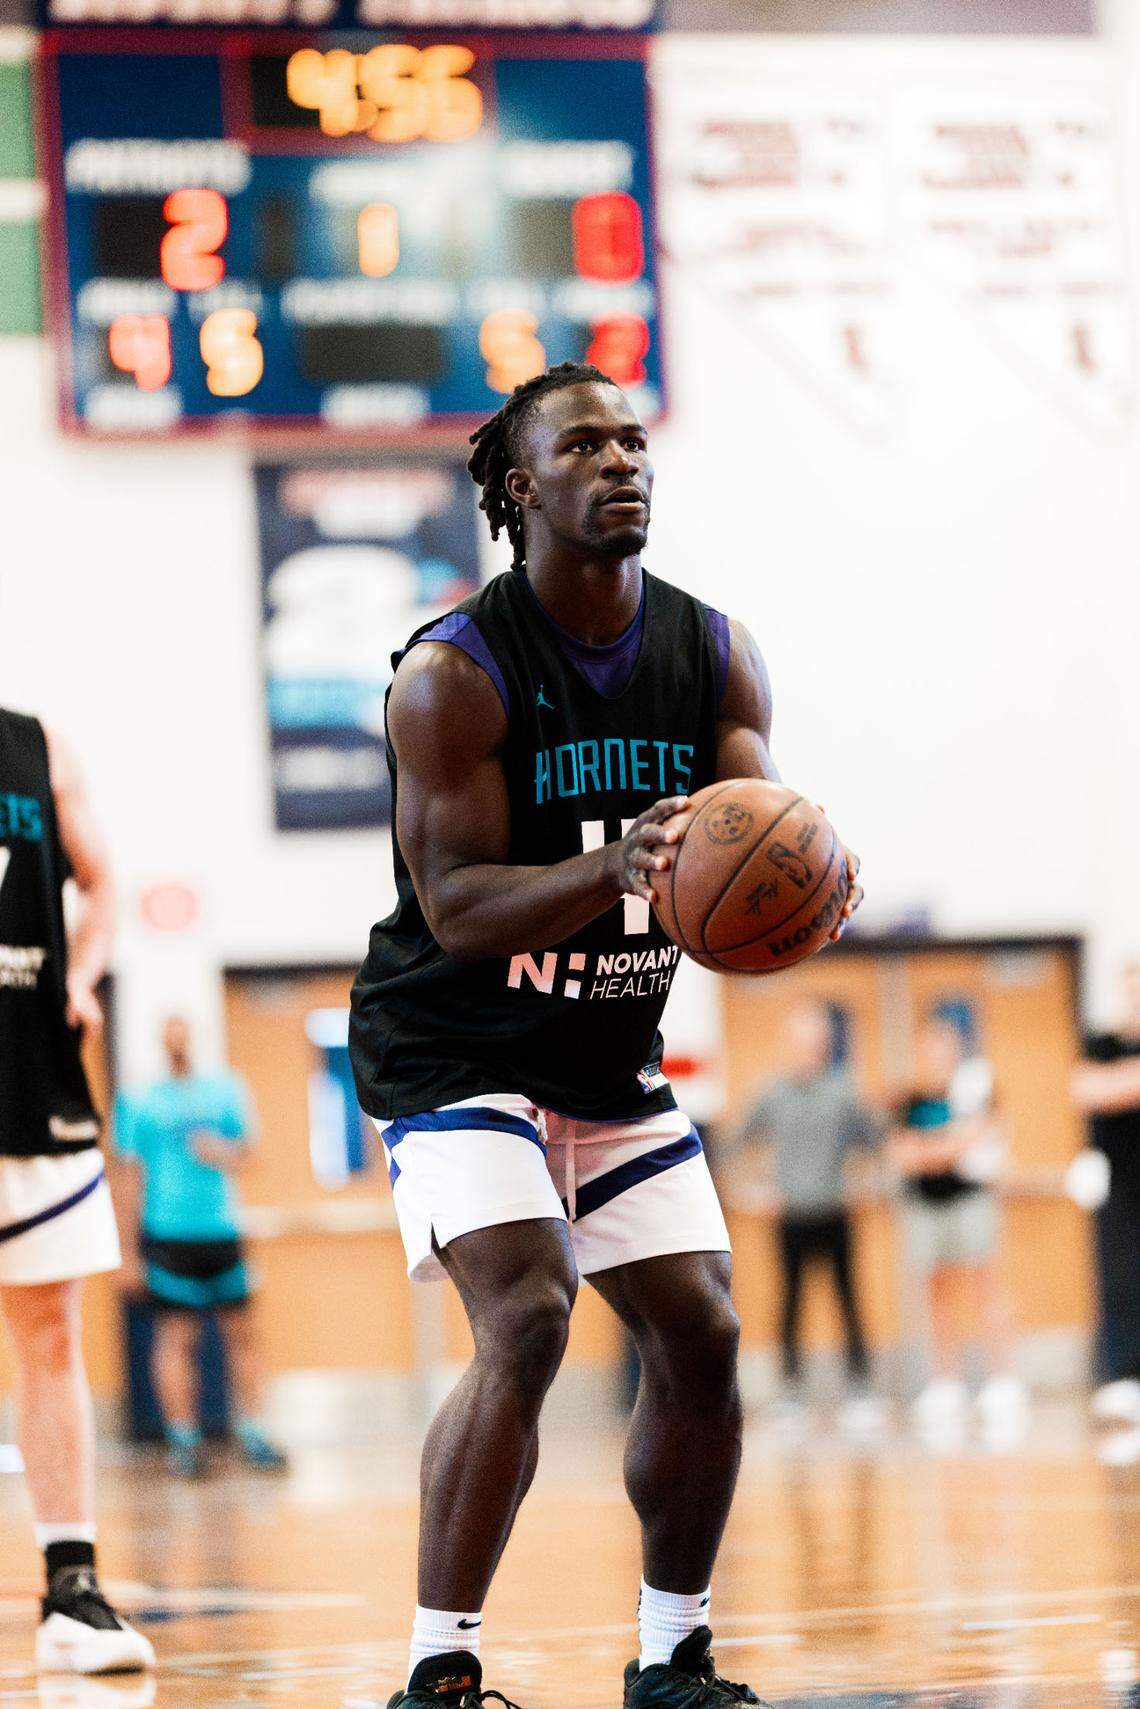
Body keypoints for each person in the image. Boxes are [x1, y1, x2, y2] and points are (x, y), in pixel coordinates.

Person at [349, 362, 862, 1709]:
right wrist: (622, 865)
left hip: (607, 1050)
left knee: (701, 1330)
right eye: (586, 444)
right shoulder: (451, 674)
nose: (623, 459)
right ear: (522, 489)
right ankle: (437, 1673)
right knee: (527, 1311)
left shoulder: (713, 650)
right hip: (452, 1043)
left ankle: (672, 1653)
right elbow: (455, 908)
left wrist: (810, 877)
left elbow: (754, 836)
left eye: (634, 439)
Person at [0, 707, 154, 1675]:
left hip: (27, 1071)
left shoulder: (34, 745)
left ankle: (71, 1587)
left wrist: (83, 975)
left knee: (50, 1327)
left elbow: (102, 883)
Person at [115, 1015, 287, 1479]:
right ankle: (183, 1441)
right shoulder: (139, 1100)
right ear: (159, 1039)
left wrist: (223, 1153)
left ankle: (253, 1432)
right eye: (166, 1030)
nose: (176, 1039)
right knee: (176, 1338)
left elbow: (252, 1152)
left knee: (243, 1335)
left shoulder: (226, 1090)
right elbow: (128, 1175)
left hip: (222, 1230)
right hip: (168, 1233)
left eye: (182, 1029)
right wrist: (127, 1253)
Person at [735, 999, 883, 1421]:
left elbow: (875, 1142)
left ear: (825, 1044)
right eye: (799, 1040)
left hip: (836, 1212)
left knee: (849, 1298)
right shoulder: (772, 1093)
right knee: (790, 1303)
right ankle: (790, 1394)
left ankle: (861, 1392)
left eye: (813, 1041)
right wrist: (755, 1190)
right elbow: (736, 1143)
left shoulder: (844, 1091)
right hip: (790, 1217)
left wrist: (866, 1186)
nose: (806, 1048)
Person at [889, 1013, 1025, 1434]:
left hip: (971, 1202)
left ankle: (1003, 1380)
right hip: (925, 1206)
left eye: (946, 1047)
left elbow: (987, 1137)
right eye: (931, 1047)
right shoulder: (908, 1101)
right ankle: (945, 1382)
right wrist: (951, 1144)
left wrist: (940, 1147)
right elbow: (905, 1156)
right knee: (935, 1296)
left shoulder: (976, 1091)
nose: (938, 1055)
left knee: (988, 1288)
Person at [1071, 961, 1140, 1427]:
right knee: (1123, 1279)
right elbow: (1089, 1090)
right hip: (1121, 1183)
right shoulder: (1101, 1043)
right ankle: (1125, 1376)